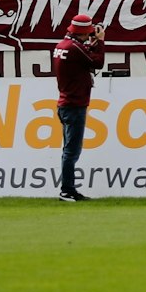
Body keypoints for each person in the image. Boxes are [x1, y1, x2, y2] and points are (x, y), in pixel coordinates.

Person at [52, 13, 106, 202]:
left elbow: (82, 56)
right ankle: (67, 190)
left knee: (68, 150)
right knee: (72, 151)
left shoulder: (62, 46)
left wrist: (91, 43)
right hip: (74, 105)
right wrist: (100, 42)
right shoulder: (74, 48)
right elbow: (97, 62)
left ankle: (68, 189)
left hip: (65, 102)